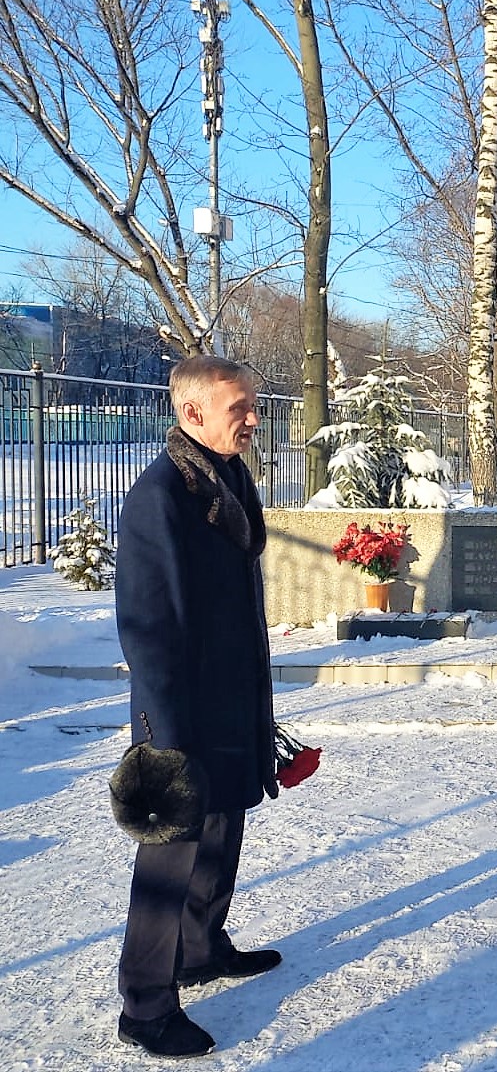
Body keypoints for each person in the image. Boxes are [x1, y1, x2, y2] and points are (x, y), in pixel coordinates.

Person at [114, 356, 281, 1058]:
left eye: (252, 405)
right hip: (180, 709)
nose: (253, 418)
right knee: (169, 859)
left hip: (232, 697)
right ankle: (146, 1005)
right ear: (193, 413)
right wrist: (163, 738)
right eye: (239, 407)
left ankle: (201, 946)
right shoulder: (160, 495)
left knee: (223, 830)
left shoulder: (228, 477)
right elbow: (147, 626)